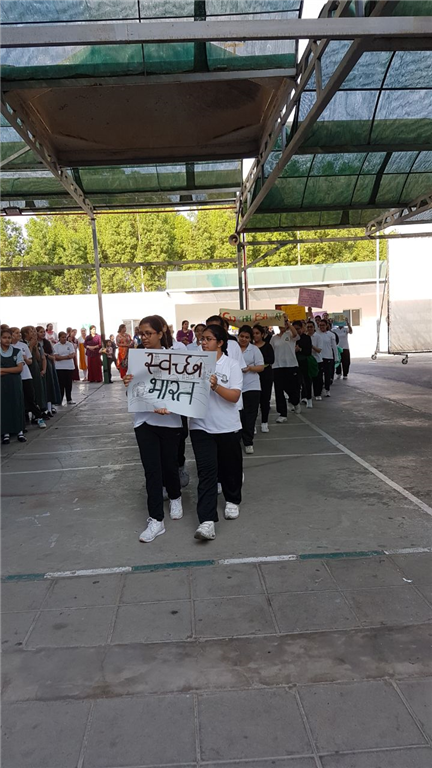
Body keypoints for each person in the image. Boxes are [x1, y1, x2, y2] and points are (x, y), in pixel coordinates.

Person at [124, 315, 183, 543]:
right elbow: (134, 390)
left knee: (170, 466)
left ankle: (175, 497)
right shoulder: (137, 358)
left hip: (170, 422)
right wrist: (128, 383)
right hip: (144, 421)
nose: (144, 338)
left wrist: (170, 406)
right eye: (141, 334)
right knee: (152, 470)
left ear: (161, 333)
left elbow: (184, 389)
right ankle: (156, 519)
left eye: (148, 333)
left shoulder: (176, 357)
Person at [189, 324, 243, 540]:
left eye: (208, 339)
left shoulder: (231, 365)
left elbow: (234, 396)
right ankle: (207, 521)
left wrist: (216, 386)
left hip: (227, 426)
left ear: (220, 343)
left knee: (230, 468)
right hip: (200, 426)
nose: (203, 342)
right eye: (202, 339)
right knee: (206, 473)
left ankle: (232, 500)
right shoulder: (192, 363)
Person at [9, 328, 46, 429]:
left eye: (19, 333)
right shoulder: (8, 347)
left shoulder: (23, 346)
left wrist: (24, 358)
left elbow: (30, 361)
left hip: (25, 375)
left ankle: (39, 417)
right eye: (16, 333)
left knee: (30, 397)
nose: (19, 335)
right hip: (14, 376)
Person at [237, 325, 264, 453]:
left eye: (247, 337)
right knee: (239, 414)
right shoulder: (233, 349)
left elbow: (261, 367)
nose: (243, 339)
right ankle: (238, 438)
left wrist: (250, 368)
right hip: (236, 386)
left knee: (250, 415)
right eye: (241, 336)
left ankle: (248, 441)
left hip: (252, 386)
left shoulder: (254, 349)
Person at [270, 317, 301, 422]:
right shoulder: (274, 338)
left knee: (291, 388)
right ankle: (282, 414)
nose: (282, 326)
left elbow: (296, 334)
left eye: (284, 324)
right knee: (279, 390)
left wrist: (288, 322)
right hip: (277, 366)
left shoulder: (290, 334)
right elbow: (271, 351)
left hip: (290, 365)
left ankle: (295, 402)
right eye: (280, 324)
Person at [0, 328, 26, 444]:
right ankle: (5, 432)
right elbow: (15, 369)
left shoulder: (17, 351)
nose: (7, 340)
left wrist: (3, 370)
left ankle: (19, 431)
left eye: (9, 338)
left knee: (17, 404)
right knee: (4, 406)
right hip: (2, 384)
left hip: (15, 383)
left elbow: (19, 369)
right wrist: (12, 370)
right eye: (4, 337)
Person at [21, 326, 48, 417]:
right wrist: (31, 346)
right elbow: (27, 356)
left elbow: (38, 358)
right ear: (26, 334)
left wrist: (35, 347)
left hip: (35, 368)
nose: (34, 333)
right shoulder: (22, 344)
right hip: (27, 369)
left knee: (37, 389)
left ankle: (39, 410)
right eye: (31, 331)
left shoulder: (36, 343)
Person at [253, 324, 274, 432]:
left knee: (265, 399)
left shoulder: (268, 346)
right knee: (253, 400)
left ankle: (264, 422)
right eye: (253, 333)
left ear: (262, 334)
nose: (255, 335)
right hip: (252, 374)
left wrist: (259, 360)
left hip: (266, 374)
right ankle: (252, 424)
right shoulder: (249, 347)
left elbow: (271, 360)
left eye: (257, 333)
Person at [36, 326, 60, 416]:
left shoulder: (47, 343)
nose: (43, 333)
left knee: (49, 386)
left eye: (43, 332)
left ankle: (50, 407)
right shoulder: (34, 343)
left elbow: (52, 357)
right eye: (40, 332)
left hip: (48, 366)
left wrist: (45, 355)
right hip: (38, 366)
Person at [293, 320, 313, 409]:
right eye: (294, 329)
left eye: (298, 329)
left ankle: (309, 399)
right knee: (295, 383)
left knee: (306, 381)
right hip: (294, 363)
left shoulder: (306, 338)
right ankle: (295, 401)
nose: (297, 331)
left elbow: (308, 352)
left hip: (304, 362)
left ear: (302, 328)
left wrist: (300, 349)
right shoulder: (292, 338)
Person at [316, 319, 338, 397]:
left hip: (328, 357)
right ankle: (319, 390)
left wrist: (336, 357)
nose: (322, 327)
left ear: (326, 326)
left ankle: (327, 389)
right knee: (319, 375)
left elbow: (334, 346)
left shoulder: (331, 334)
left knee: (327, 375)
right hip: (319, 357)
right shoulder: (316, 334)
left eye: (323, 325)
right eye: (320, 325)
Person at [53, 332, 77, 404]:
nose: (64, 339)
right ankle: (59, 399)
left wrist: (62, 357)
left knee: (68, 384)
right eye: (62, 337)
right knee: (61, 384)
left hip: (69, 367)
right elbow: (57, 357)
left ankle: (69, 399)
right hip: (60, 367)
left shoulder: (69, 344)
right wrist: (67, 357)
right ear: (59, 338)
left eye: (65, 337)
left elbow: (72, 355)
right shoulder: (56, 346)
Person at [306, 320, 324, 401]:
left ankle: (318, 393)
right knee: (307, 379)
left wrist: (311, 346)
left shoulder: (318, 337)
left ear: (314, 328)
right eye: (308, 327)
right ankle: (307, 395)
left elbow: (319, 350)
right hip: (307, 360)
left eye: (311, 327)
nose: (309, 328)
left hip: (317, 360)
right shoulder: (304, 337)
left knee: (317, 379)